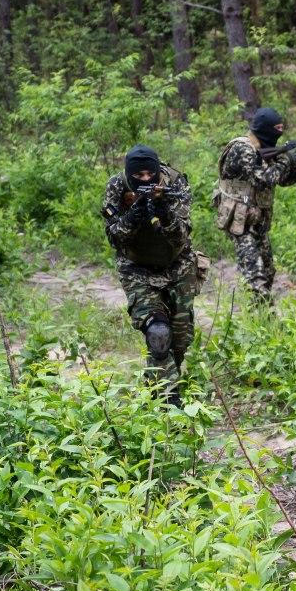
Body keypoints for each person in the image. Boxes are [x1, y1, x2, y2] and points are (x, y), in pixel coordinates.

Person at [101, 144, 205, 406]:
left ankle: (155, 386)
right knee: (158, 334)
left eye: (151, 175)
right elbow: (114, 237)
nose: (146, 180)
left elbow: (181, 234)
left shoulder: (175, 183)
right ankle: (171, 406)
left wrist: (163, 212)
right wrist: (134, 215)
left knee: (180, 340)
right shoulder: (117, 186)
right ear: (129, 174)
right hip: (137, 269)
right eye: (140, 177)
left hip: (177, 265)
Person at [213, 107, 296, 302]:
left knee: (268, 271)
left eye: (281, 128)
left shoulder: (266, 149)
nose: (278, 133)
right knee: (255, 276)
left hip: (257, 221)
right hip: (238, 222)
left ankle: (258, 312)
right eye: (276, 129)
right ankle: (264, 320)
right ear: (264, 129)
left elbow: (285, 180)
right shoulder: (241, 149)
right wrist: (286, 159)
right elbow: (265, 179)